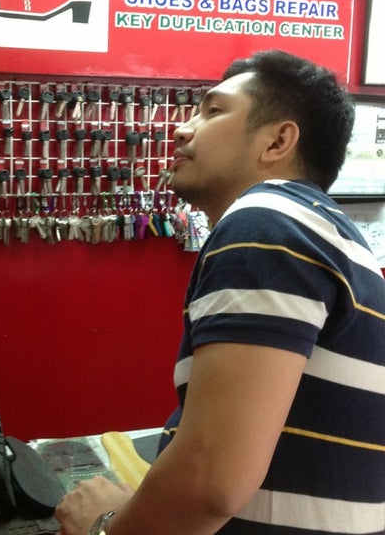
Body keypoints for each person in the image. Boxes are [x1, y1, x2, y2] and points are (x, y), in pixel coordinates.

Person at [55, 50, 385, 534]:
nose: (181, 129)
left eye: (213, 111)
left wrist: (104, 527)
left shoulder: (268, 221)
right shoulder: (332, 235)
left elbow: (211, 480)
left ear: (277, 141)